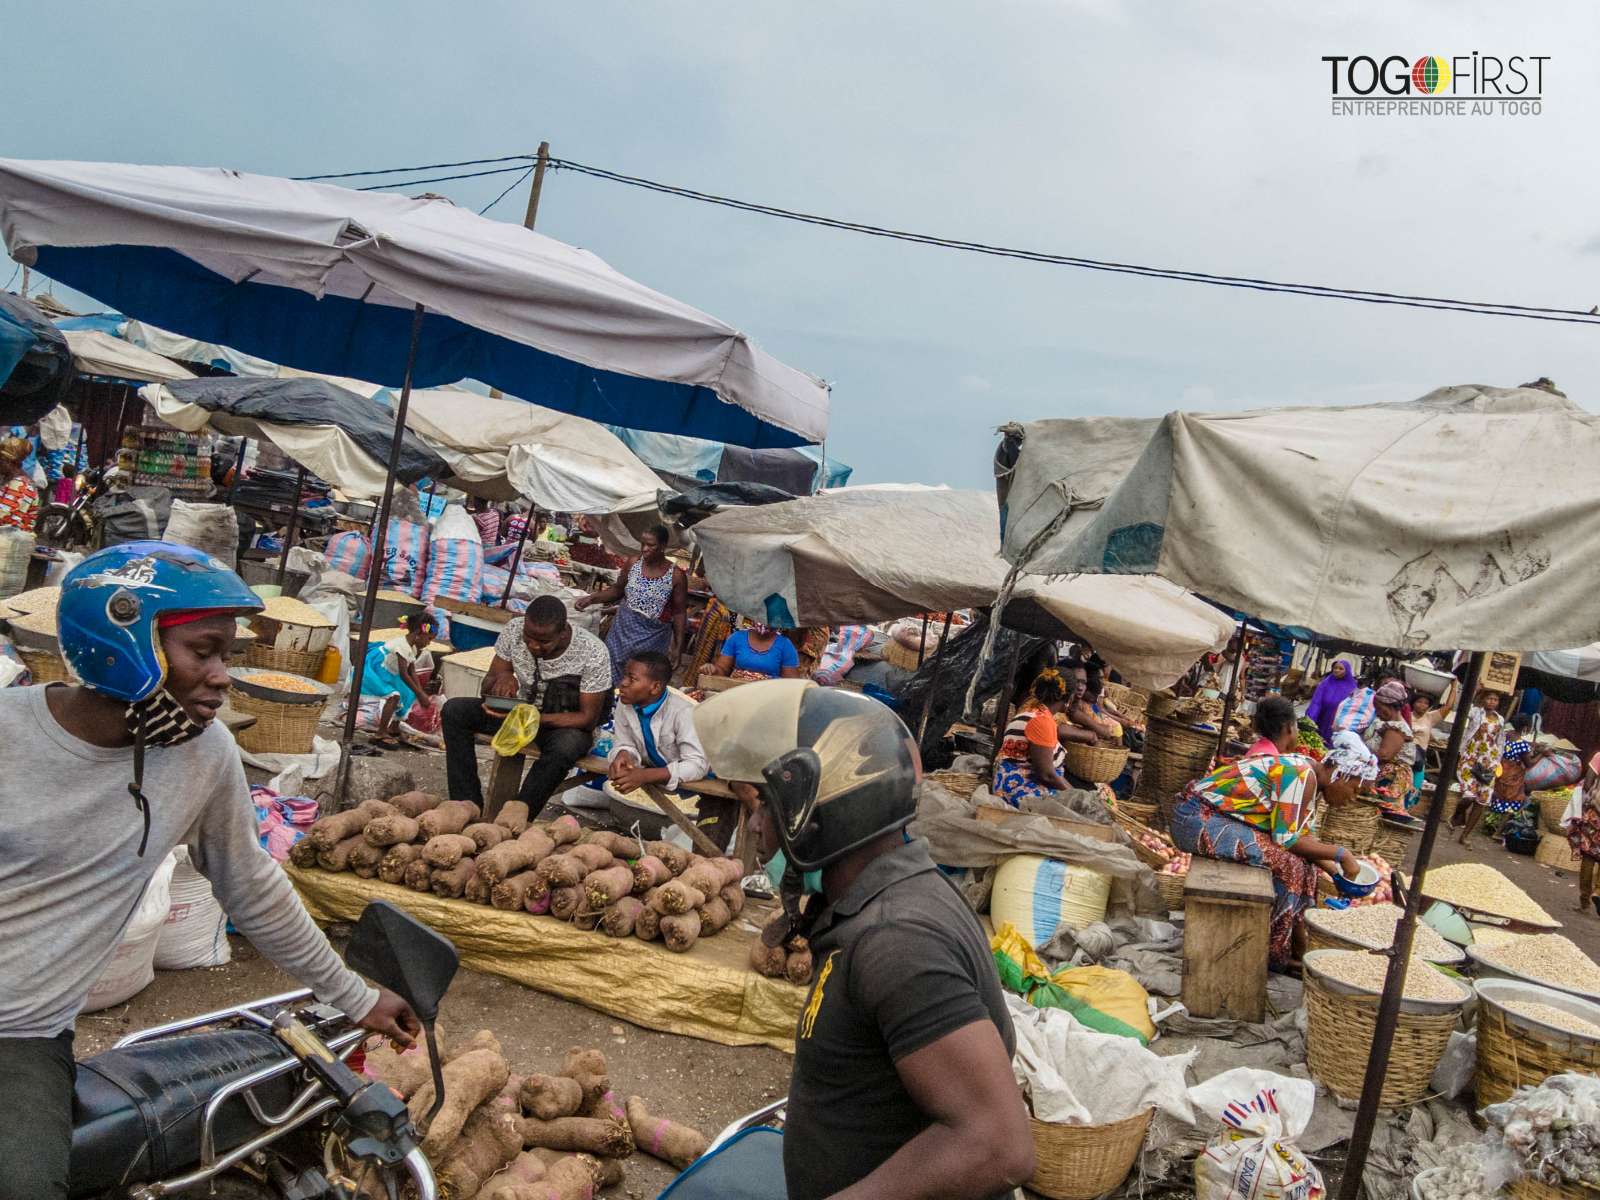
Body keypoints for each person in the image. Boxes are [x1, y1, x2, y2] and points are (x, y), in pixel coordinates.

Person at [0, 542, 417, 1200]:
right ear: (123, 642)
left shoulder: (204, 755)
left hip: (19, 1037)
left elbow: (252, 889)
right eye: (205, 651)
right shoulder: (7, 732)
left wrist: (356, 997)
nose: (223, 676)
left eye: (228, 655)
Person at [693, 681, 1036, 1200]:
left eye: (766, 806)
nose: (758, 825)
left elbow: (997, 1144)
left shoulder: (896, 942)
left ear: (824, 816)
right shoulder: (877, 901)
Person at [1169, 724, 1375, 969]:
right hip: (1195, 819)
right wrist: (1342, 855)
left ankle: (1298, 950)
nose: (1352, 799)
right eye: (1355, 790)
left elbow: (1303, 838)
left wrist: (1336, 874)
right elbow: (1287, 841)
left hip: (1214, 819)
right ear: (1341, 774)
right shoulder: (1301, 774)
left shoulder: (1310, 773)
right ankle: (1275, 954)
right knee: (1289, 865)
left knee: (1305, 867)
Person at [441, 594, 611, 818]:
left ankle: (518, 813)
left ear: (563, 633)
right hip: (517, 717)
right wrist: (501, 680)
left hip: (562, 727)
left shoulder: (593, 652)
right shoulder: (513, 630)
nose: (533, 646)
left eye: (543, 642)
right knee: (454, 711)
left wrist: (532, 718)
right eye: (528, 637)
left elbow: (587, 718)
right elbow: (488, 683)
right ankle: (466, 803)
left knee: (566, 746)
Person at [606, 650, 724, 848]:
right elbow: (624, 741)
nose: (623, 683)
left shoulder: (683, 712)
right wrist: (623, 754)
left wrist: (645, 776)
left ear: (655, 687)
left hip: (709, 782)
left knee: (707, 846)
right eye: (625, 676)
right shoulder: (626, 705)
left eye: (632, 679)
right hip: (665, 776)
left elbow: (697, 765)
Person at [576, 524, 687, 685]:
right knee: (608, 677)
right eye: (643, 544)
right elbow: (617, 590)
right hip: (621, 633)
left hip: (652, 639)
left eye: (651, 545)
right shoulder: (633, 563)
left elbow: (679, 613)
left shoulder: (676, 576)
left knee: (641, 681)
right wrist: (592, 598)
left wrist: (678, 647)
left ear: (663, 547)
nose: (645, 549)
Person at [991, 668, 1095, 807]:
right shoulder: (1041, 722)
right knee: (1090, 802)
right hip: (1019, 790)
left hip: (1008, 783)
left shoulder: (1032, 711)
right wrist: (1076, 796)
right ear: (1068, 697)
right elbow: (1047, 775)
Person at [352, 612, 440, 743]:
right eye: (429, 639)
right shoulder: (402, 646)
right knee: (394, 696)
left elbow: (412, 671)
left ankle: (394, 728)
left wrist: (420, 692)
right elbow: (404, 674)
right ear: (418, 634)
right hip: (374, 669)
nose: (428, 643)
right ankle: (380, 733)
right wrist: (420, 694)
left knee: (408, 693)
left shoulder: (412, 648)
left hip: (389, 672)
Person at [1453, 689, 1506, 847]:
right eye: (1489, 698)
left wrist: (1497, 761)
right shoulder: (1476, 713)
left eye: (1495, 699)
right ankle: (1458, 815)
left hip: (1489, 761)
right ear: (1483, 700)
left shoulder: (1500, 719)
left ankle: (1465, 835)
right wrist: (1475, 690)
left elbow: (1500, 741)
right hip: (1471, 757)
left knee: (1482, 801)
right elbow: (1463, 707)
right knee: (1468, 795)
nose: (1492, 702)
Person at [1563, 752, 1600, 917]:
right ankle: (1598, 892)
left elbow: (1588, 783)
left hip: (1596, 813)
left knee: (1589, 855)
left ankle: (1585, 902)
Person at [702, 620, 801, 680]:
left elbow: (791, 683)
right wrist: (712, 669)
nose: (765, 620)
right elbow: (722, 670)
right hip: (734, 693)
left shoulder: (785, 645)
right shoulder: (737, 638)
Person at [1304, 658, 1359, 742]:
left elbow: (1354, 707)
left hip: (1338, 723)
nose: (1337, 670)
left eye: (1341, 669)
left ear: (1347, 671)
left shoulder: (1353, 687)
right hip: (1322, 718)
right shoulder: (1325, 683)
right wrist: (1310, 719)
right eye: (1335, 668)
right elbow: (1316, 702)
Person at [0, 435, 39, 532]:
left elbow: (4, 516)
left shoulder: (21, 485)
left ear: (8, 462)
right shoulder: (9, 480)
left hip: (12, 541)